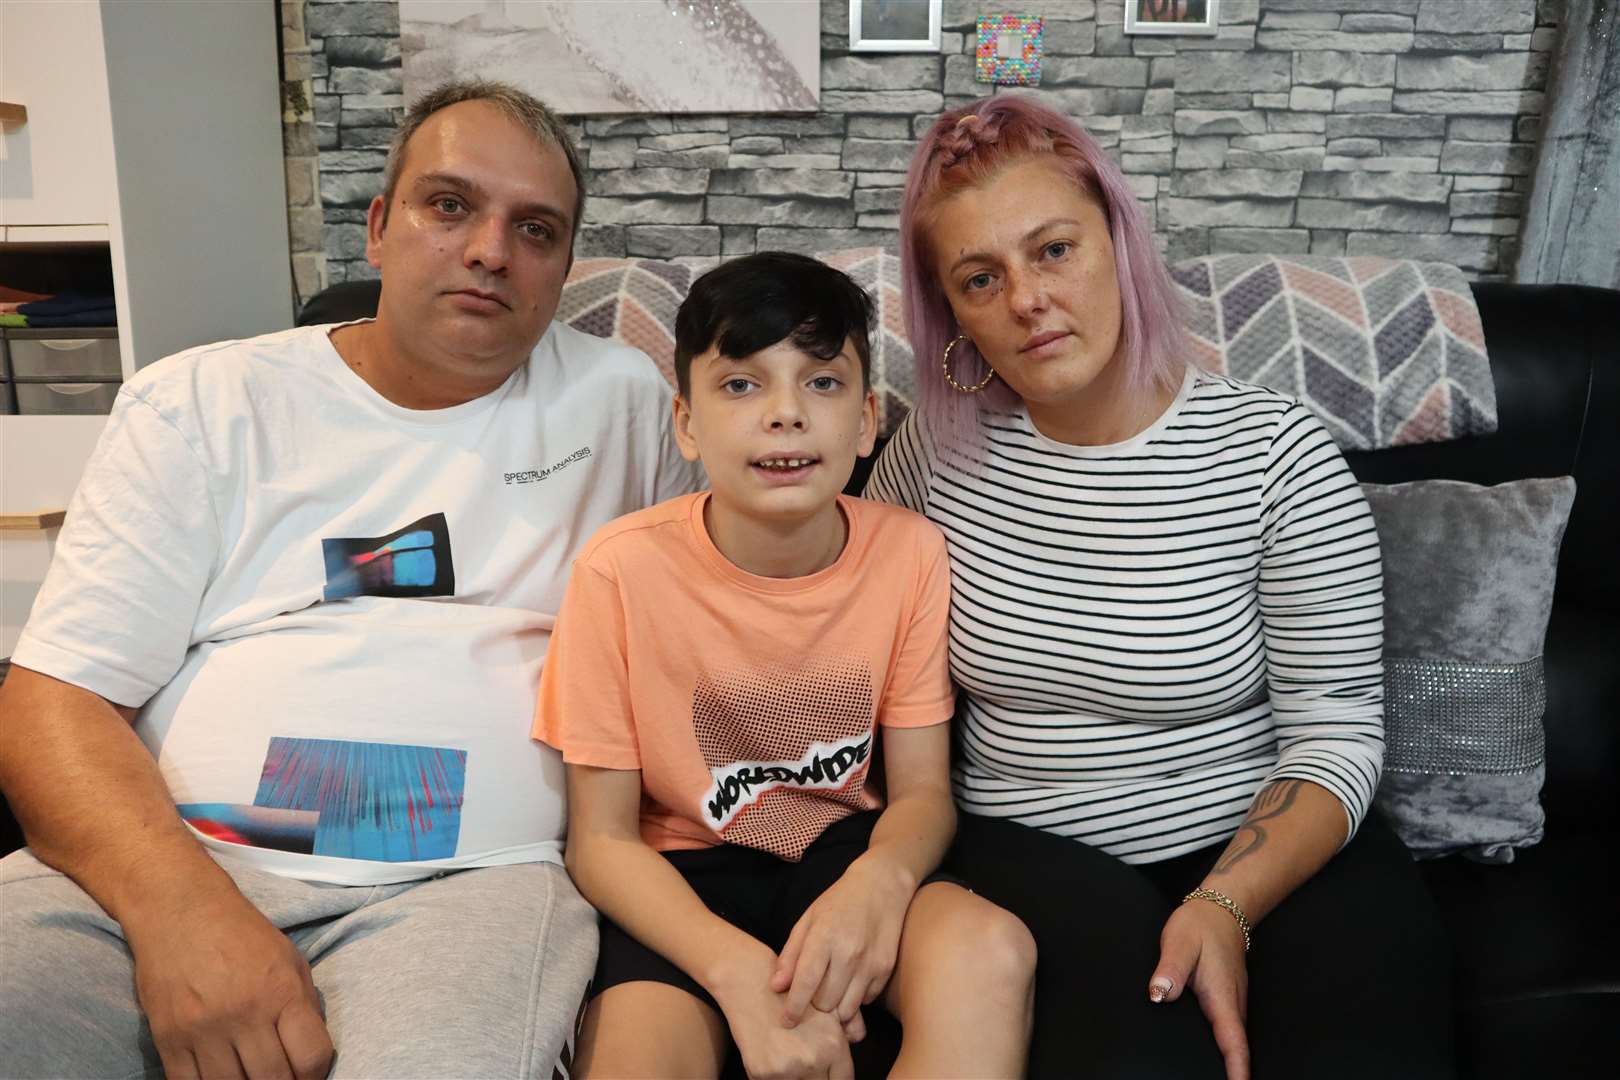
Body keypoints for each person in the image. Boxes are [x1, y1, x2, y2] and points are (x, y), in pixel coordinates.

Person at [0, 79, 701, 1080]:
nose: (491, 250)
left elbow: (720, 608)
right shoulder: (204, 403)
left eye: (536, 229)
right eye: (449, 205)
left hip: (461, 888)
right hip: (158, 869)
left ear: (560, 271)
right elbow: (50, 698)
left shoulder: (627, 406)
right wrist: (184, 913)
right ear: (377, 229)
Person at [864, 97, 1455, 1079]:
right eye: (981, 278)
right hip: (1022, 852)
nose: (1027, 300)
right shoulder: (932, 453)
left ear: (1121, 245)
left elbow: (1338, 732)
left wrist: (1225, 903)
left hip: (1263, 841)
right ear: (953, 314)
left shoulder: (1276, 454)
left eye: (1053, 250)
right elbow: (849, 638)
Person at [534, 252, 1036, 1080]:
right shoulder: (618, 570)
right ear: (686, 423)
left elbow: (922, 794)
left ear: (868, 418)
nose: (786, 416)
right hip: (680, 880)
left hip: (843, 850)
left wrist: (881, 878)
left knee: (990, 951)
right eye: (741, 385)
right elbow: (602, 841)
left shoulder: (911, 554)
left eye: (823, 383)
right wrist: (737, 976)